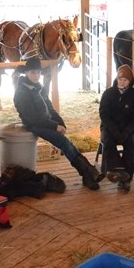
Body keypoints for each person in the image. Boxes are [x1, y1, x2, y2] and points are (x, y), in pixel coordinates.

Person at [14, 57, 104, 190]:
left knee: (66, 142)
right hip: (34, 124)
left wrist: (61, 123)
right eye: (33, 72)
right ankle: (88, 173)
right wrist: (55, 126)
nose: (36, 75)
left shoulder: (38, 87)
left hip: (45, 121)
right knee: (63, 142)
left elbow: (50, 108)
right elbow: (33, 118)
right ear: (26, 73)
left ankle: (88, 173)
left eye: (38, 72)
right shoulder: (22, 92)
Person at [99, 64, 134, 191]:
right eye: (120, 79)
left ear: (130, 81)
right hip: (109, 127)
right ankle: (116, 169)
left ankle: (127, 178)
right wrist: (114, 130)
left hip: (127, 129)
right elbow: (104, 114)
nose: (122, 82)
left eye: (125, 80)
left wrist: (127, 131)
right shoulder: (108, 93)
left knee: (130, 145)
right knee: (108, 142)